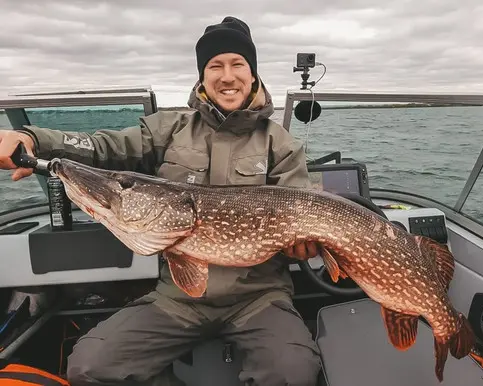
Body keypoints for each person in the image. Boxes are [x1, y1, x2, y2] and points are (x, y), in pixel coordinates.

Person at [0, 16, 322, 386]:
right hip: (177, 299)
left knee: (293, 371)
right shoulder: (169, 128)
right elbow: (104, 148)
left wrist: (305, 247)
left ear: (253, 76)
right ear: (203, 77)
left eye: (238, 65)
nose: (227, 76)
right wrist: (32, 140)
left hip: (259, 297)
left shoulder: (280, 143)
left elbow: (303, 212)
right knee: (91, 367)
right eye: (215, 66)